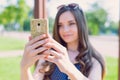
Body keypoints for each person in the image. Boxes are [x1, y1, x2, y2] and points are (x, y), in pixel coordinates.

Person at [20, 3, 106, 80]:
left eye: (71, 23)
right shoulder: (49, 54)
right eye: (60, 25)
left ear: (81, 25)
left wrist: (69, 68)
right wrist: (24, 68)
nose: (65, 30)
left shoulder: (94, 61)